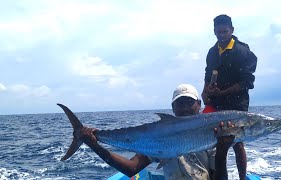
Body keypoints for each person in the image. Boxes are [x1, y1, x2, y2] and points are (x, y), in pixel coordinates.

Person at [80, 84, 235, 180]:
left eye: (189, 101)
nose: (185, 107)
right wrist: (95, 145)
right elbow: (131, 168)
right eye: (180, 103)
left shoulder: (214, 133)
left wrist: (222, 150)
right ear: (173, 107)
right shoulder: (160, 134)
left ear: (199, 104)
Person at [201, 14, 258, 180]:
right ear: (214, 32)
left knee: (237, 142)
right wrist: (205, 92)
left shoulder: (243, 51)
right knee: (217, 141)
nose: (221, 35)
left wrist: (223, 93)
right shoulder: (212, 52)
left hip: (237, 103)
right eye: (218, 32)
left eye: (225, 31)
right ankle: (217, 176)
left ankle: (242, 177)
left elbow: (247, 82)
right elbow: (207, 74)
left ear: (231, 30)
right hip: (217, 102)